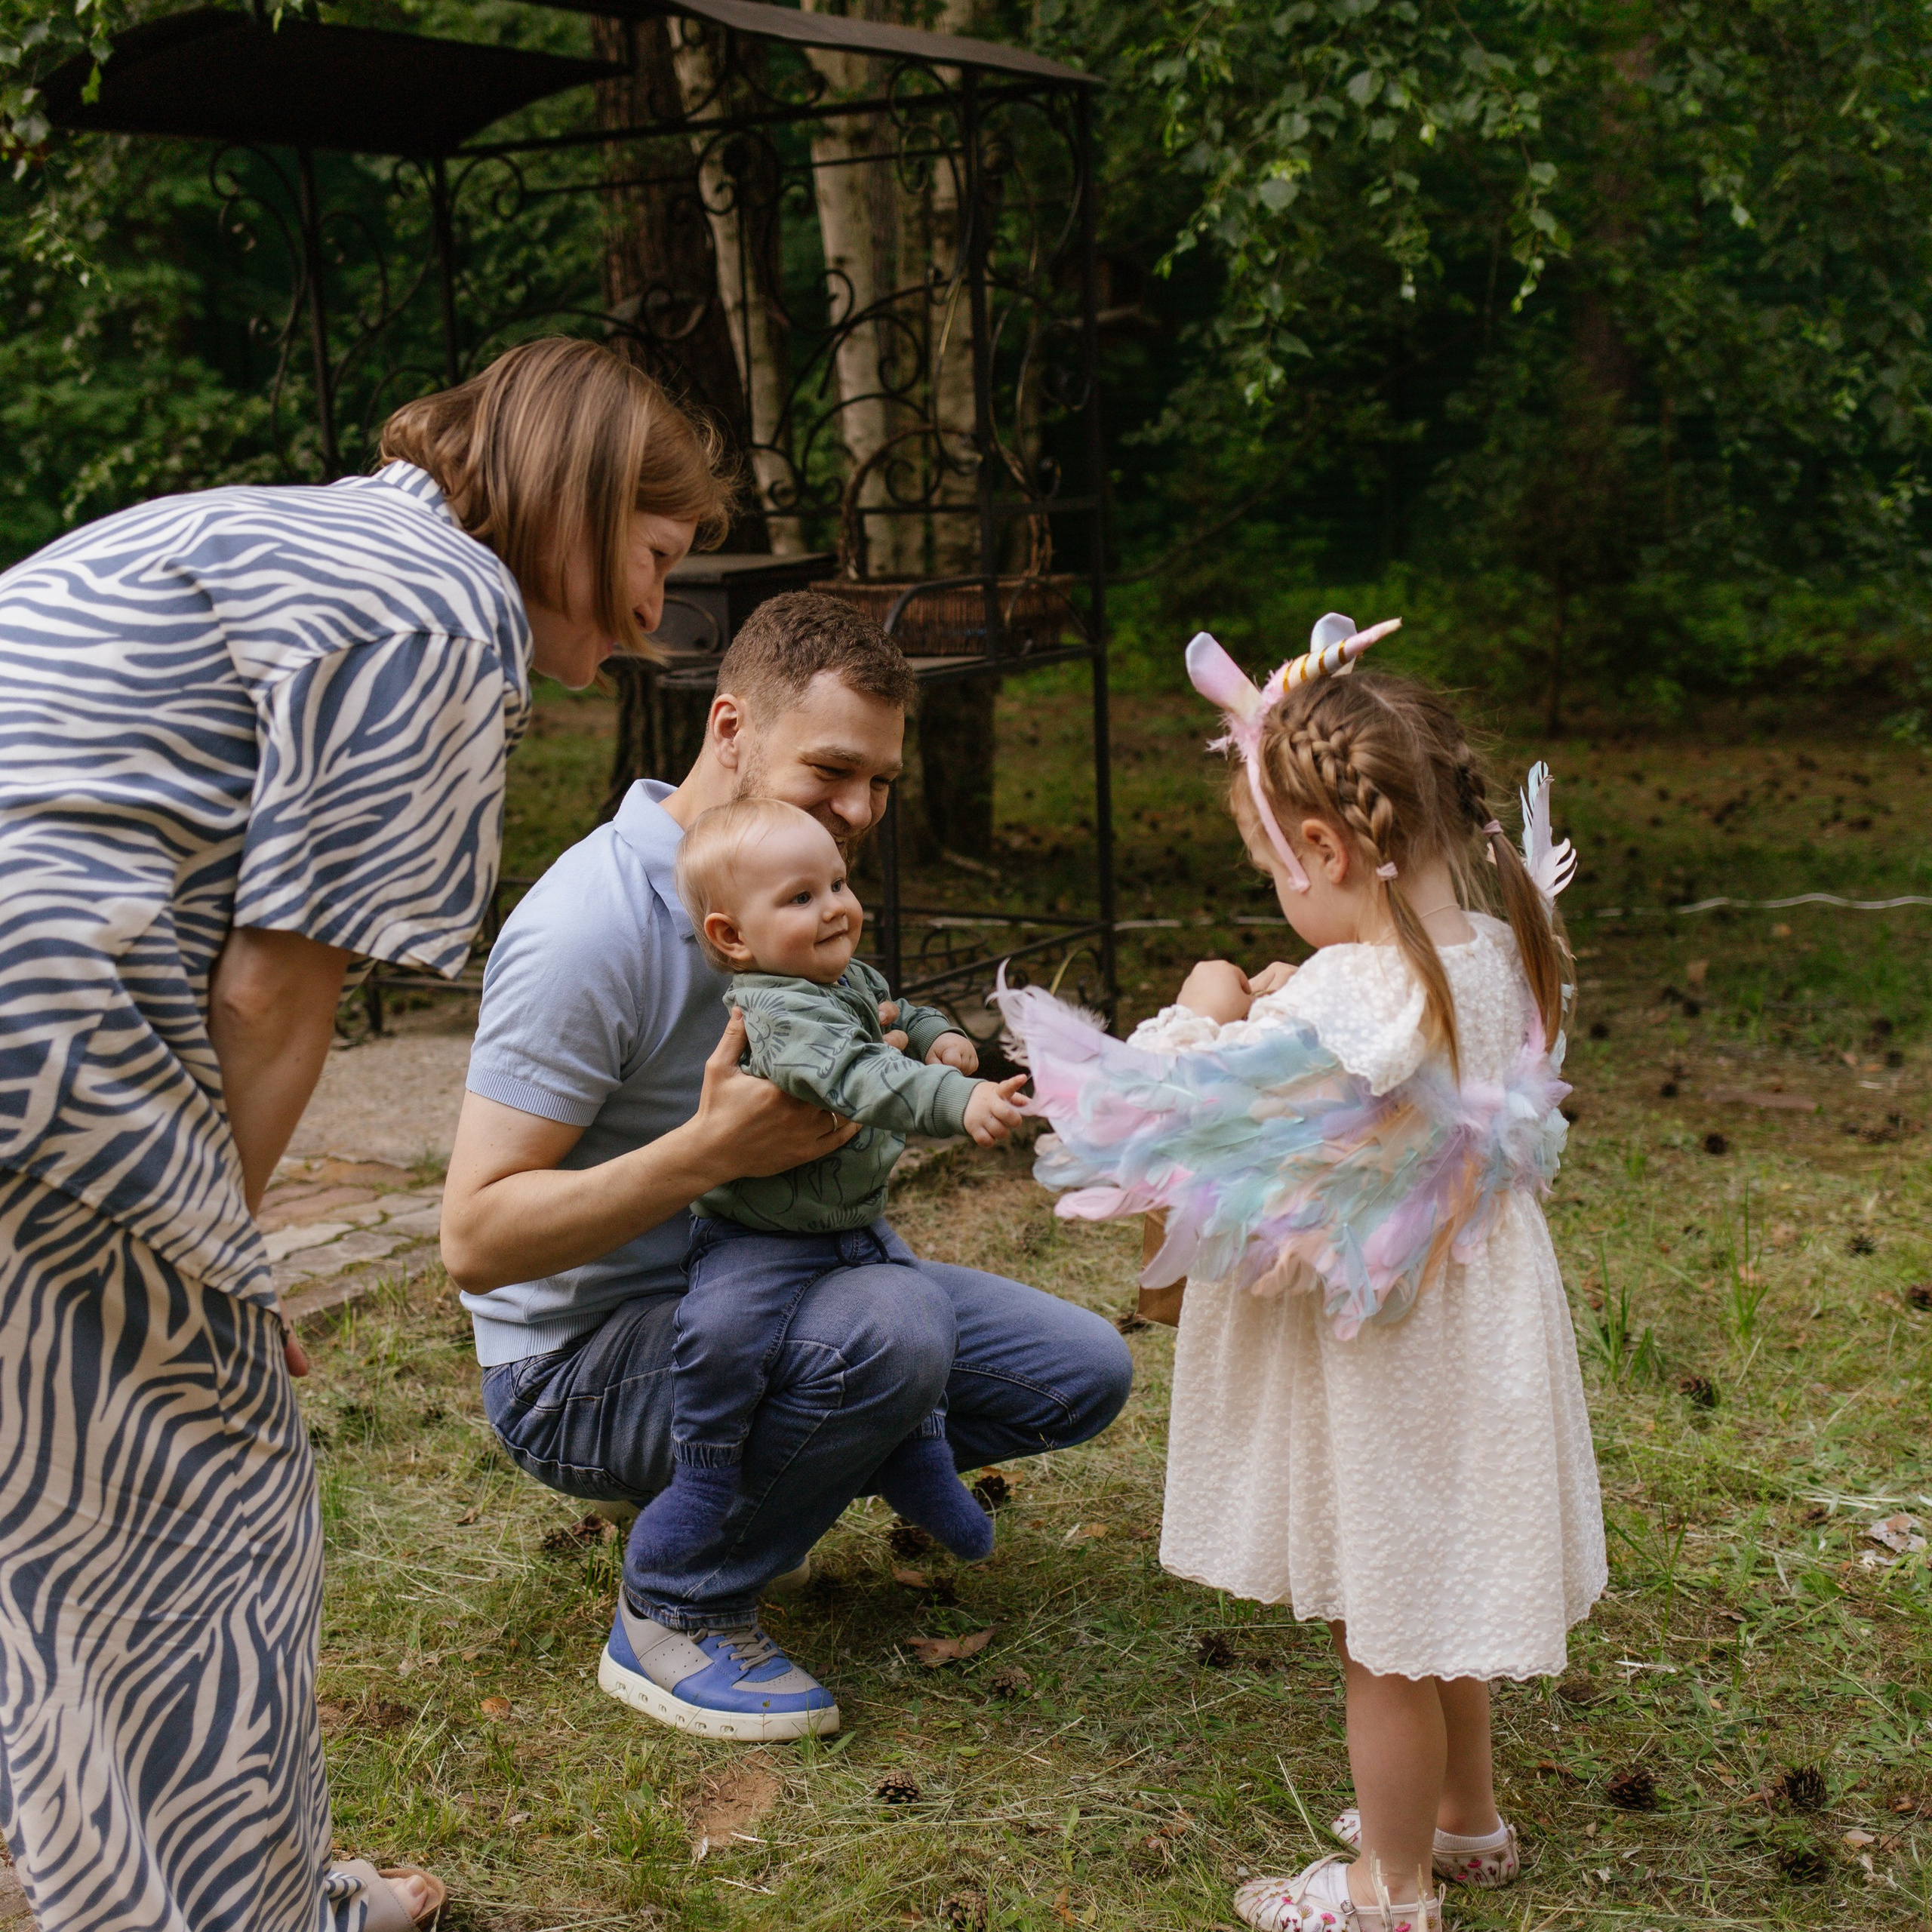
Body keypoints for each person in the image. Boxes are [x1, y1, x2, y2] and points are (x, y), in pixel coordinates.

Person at [0, 336, 731, 1932]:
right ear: (581, 497)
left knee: (57, 1484)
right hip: (40, 1019)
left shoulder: (278, 530)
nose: (652, 616)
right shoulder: (437, 609)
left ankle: (111, 1861)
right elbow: (273, 991)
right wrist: (220, 1260)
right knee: (198, 1505)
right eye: (656, 558)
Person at [440, 590, 1134, 1743]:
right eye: (833, 770)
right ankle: (675, 1608)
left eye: (882, 783)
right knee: (893, 1328)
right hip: (574, 1367)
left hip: (766, 1281)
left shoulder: (786, 879)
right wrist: (706, 1152)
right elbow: (473, 1242)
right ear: (730, 731)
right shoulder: (590, 930)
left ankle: (743, 1476)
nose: (860, 812)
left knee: (1079, 1370)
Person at [999, 619, 1607, 1931]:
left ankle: (1390, 1889)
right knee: (1433, 1589)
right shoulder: (1491, 954)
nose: (1278, 896)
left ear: (1328, 850)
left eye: (1273, 867)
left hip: (1385, 1361)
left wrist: (1213, 998)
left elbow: (1143, 1115)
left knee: (1381, 1626)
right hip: (1470, 1330)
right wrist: (1303, 986)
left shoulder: (1345, 1003)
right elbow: (1384, 1048)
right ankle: (1467, 1817)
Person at [633, 795, 1029, 1577]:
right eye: (801, 897)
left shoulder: (835, 974)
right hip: (759, 1238)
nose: (836, 909)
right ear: (731, 936)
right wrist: (958, 1099)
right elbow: (857, 1073)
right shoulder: (779, 1010)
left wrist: (938, 1034)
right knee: (720, 1339)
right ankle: (704, 1474)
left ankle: (917, 1458)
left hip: (847, 1222)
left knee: (926, 1331)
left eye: (839, 884)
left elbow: (893, 1010)